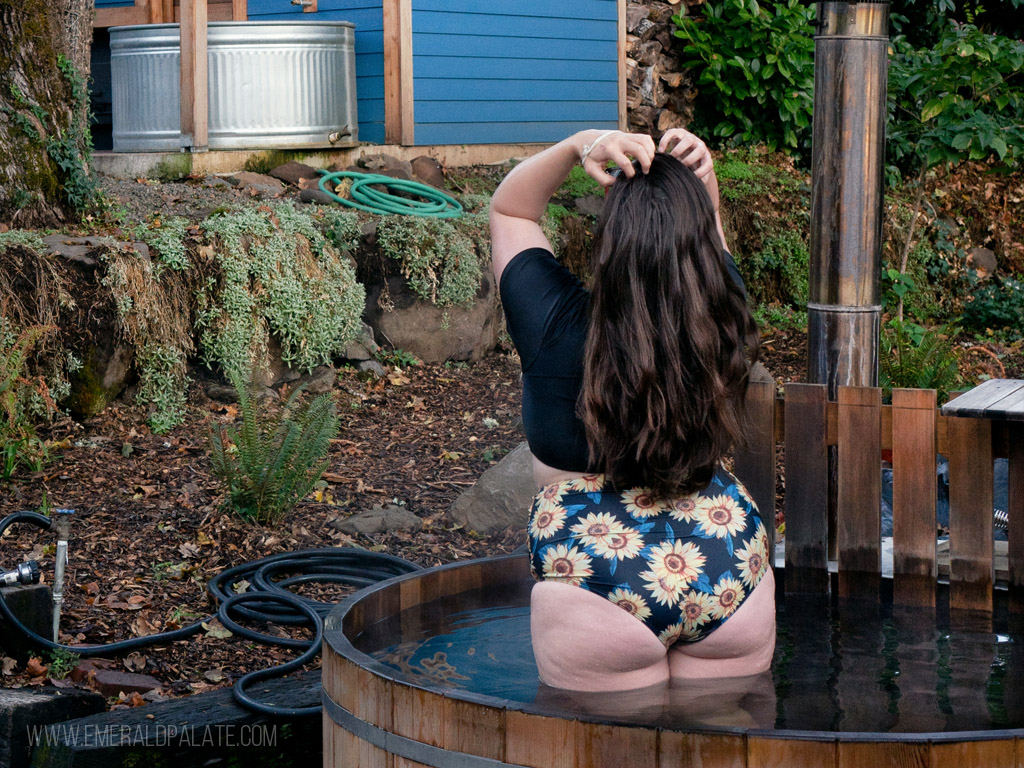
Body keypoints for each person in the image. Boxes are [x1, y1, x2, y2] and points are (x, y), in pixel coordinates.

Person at [490, 128, 775, 692]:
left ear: (611, 237)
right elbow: (709, 249)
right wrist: (703, 184)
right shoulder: (722, 314)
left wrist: (579, 144)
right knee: (721, 743)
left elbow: (510, 209)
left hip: (592, 566)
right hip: (723, 557)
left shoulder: (553, 322)